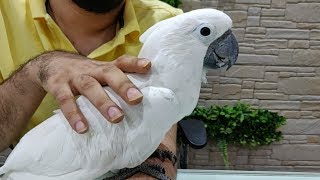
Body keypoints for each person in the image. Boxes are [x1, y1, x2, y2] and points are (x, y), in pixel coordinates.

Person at [0, 0, 182, 179]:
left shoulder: (168, 23)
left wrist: (150, 171)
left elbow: (160, 149)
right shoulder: (5, 11)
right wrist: (34, 72)